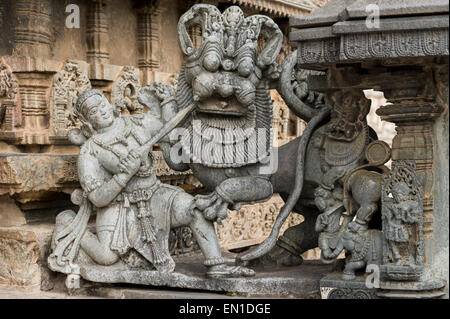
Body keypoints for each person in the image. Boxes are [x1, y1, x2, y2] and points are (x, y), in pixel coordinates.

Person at [48, 88, 254, 278]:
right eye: (93, 111)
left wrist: (166, 103)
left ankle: (216, 266)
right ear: (87, 121)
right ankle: (68, 222)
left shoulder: (134, 122)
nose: (101, 112)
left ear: (109, 104)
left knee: (195, 210)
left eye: (102, 105)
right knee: (106, 257)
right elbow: (97, 198)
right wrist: (122, 176)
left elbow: (168, 130)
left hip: (156, 193)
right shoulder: (90, 150)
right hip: (121, 207)